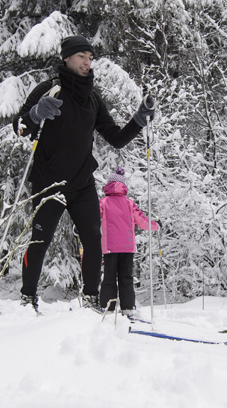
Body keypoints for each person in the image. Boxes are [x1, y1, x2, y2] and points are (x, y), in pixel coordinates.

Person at [12, 35, 155, 314]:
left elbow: (115, 137)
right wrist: (36, 113)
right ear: (66, 58)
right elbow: (19, 127)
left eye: (90, 58)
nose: (87, 63)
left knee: (92, 239)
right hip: (48, 182)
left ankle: (90, 299)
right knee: (40, 240)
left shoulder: (92, 98)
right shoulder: (48, 89)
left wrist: (139, 120)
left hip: (81, 182)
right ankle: (28, 298)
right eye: (81, 57)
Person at [97, 167, 159, 314]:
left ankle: (108, 308)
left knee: (109, 278)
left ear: (108, 185)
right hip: (127, 247)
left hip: (110, 247)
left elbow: (93, 220)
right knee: (126, 278)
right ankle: (128, 308)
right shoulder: (129, 203)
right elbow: (142, 221)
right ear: (123, 185)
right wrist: (156, 225)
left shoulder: (103, 202)